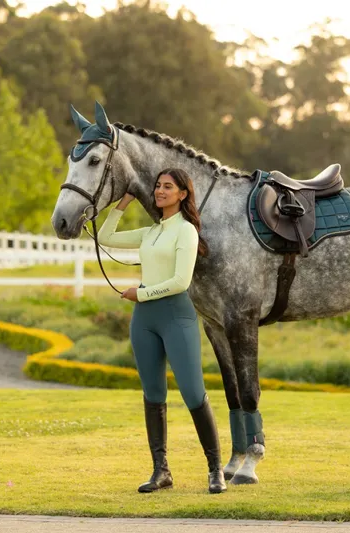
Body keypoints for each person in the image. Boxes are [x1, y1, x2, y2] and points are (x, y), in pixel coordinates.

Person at [97, 168, 226, 494]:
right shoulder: (153, 232)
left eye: (168, 186)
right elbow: (105, 237)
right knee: (153, 395)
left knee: (193, 393)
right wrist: (123, 202)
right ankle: (161, 472)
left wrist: (140, 293)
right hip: (145, 321)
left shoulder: (185, 232)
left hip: (175, 317)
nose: (159, 191)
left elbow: (180, 282)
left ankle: (215, 471)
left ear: (183, 193)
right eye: (157, 186)